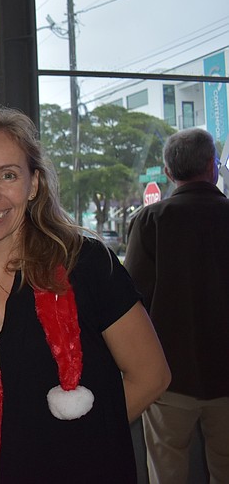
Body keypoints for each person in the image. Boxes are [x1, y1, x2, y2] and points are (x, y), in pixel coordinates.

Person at [0, 108, 170, 483]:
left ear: (34, 184)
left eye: (8, 175)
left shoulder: (87, 263)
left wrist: (77, 441)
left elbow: (152, 376)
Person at [125, 127, 229, 484]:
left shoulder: (150, 220)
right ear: (212, 167)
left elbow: (131, 298)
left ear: (168, 173)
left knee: (166, 471)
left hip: (169, 376)